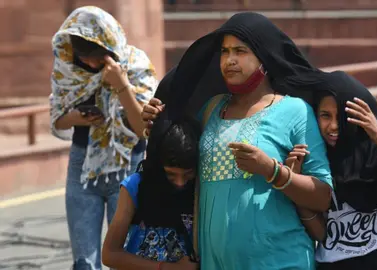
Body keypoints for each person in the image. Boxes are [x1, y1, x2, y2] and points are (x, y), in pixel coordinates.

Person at [142, 12, 335, 269]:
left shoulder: (295, 111)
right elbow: (178, 152)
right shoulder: (211, 110)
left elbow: (323, 197)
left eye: (240, 51)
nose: (229, 60)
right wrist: (157, 124)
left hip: (281, 260)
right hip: (215, 262)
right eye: (224, 51)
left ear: (264, 57)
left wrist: (272, 171)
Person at [49, 6, 157, 269]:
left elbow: (144, 128)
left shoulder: (136, 65)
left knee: (126, 257)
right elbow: (57, 118)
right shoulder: (68, 71)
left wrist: (120, 84)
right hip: (82, 168)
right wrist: (78, 118)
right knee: (84, 262)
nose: (91, 64)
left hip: (128, 167)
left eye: (97, 57)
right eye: (84, 58)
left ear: (111, 46)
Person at [286, 71, 377, 270]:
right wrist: (295, 183)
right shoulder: (314, 162)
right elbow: (321, 235)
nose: (333, 126)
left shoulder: (375, 159)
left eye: (342, 117)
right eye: (325, 116)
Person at [102, 111, 199, 270]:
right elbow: (110, 254)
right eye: (170, 174)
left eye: (188, 174)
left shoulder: (200, 189)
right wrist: (168, 268)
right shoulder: (135, 187)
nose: (180, 183)